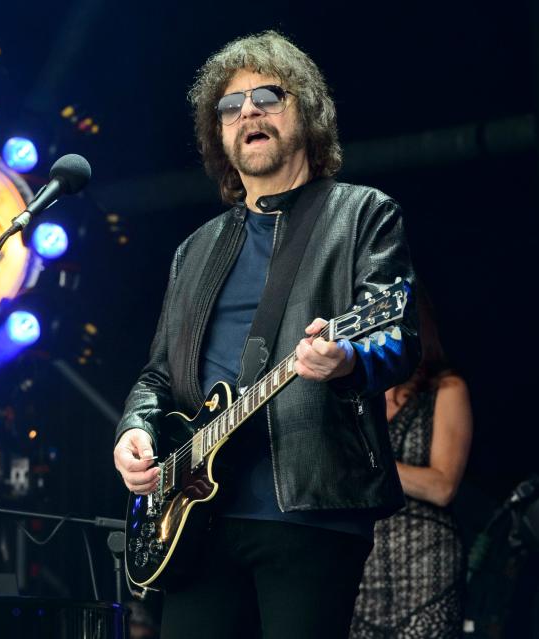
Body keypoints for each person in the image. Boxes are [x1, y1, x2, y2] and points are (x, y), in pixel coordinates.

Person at [112, 30, 420, 638]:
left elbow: (396, 337)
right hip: (196, 518)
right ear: (219, 135)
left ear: (305, 111)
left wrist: (348, 360)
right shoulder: (194, 250)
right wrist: (134, 431)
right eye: (230, 106)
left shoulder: (362, 214)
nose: (247, 110)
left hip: (311, 509)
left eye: (267, 96)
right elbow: (157, 376)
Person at [350, 293, 472, 638]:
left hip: (426, 561)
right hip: (362, 566)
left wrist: (366, 464)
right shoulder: (354, 395)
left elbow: (443, 486)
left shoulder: (445, 388)